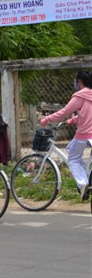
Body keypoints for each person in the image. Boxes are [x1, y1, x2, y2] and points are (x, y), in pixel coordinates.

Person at [40, 70, 92, 200]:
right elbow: (87, 112)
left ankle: (83, 184)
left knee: (73, 158)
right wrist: (73, 120)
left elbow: (64, 112)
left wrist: (47, 119)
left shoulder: (80, 96)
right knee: (75, 154)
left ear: (79, 81)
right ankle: (86, 179)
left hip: (84, 134)